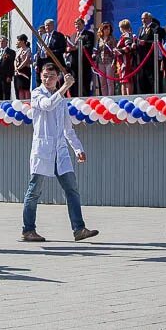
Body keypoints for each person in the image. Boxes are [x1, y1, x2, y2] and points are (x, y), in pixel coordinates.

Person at [21, 64, 98, 243]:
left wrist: (78, 148)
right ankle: (28, 229)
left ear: (58, 77)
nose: (48, 80)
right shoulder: (37, 93)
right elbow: (47, 105)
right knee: (34, 191)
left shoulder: (61, 99)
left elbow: (67, 128)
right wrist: (64, 88)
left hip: (60, 151)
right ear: (40, 76)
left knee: (72, 189)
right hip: (43, 149)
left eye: (52, 76)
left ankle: (79, 228)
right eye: (45, 76)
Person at [66, 19, 95, 97]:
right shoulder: (73, 36)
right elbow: (70, 46)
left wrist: (77, 48)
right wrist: (68, 49)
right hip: (74, 63)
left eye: (79, 24)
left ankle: (85, 98)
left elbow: (89, 46)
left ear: (83, 24)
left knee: (85, 82)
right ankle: (74, 97)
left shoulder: (89, 34)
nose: (77, 26)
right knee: (74, 82)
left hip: (84, 63)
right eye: (75, 24)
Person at [35, 20, 67, 84]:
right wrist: (37, 64)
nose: (47, 27)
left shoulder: (59, 36)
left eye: (48, 25)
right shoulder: (43, 36)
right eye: (46, 25)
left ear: (53, 26)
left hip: (54, 62)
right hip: (43, 62)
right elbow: (39, 51)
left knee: (55, 82)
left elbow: (63, 49)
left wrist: (51, 53)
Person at [92, 23, 115, 97]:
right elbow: (96, 50)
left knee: (110, 81)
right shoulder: (99, 40)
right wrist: (94, 55)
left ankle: (110, 96)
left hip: (109, 61)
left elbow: (115, 50)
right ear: (102, 30)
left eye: (108, 29)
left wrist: (114, 61)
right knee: (102, 82)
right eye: (105, 29)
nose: (107, 30)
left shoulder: (112, 39)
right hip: (100, 62)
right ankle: (104, 97)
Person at [115, 20, 137, 96]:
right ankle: (123, 96)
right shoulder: (123, 36)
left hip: (126, 60)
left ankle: (128, 96)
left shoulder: (127, 35)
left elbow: (128, 48)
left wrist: (119, 51)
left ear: (122, 27)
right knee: (122, 79)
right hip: (121, 61)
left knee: (127, 79)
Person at [13, 34, 33, 99]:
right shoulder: (18, 50)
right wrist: (16, 68)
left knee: (26, 88)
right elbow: (15, 60)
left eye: (19, 40)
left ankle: (27, 102)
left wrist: (19, 68)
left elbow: (26, 60)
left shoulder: (28, 50)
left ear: (23, 41)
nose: (17, 42)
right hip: (18, 72)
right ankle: (21, 103)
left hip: (25, 71)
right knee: (20, 88)